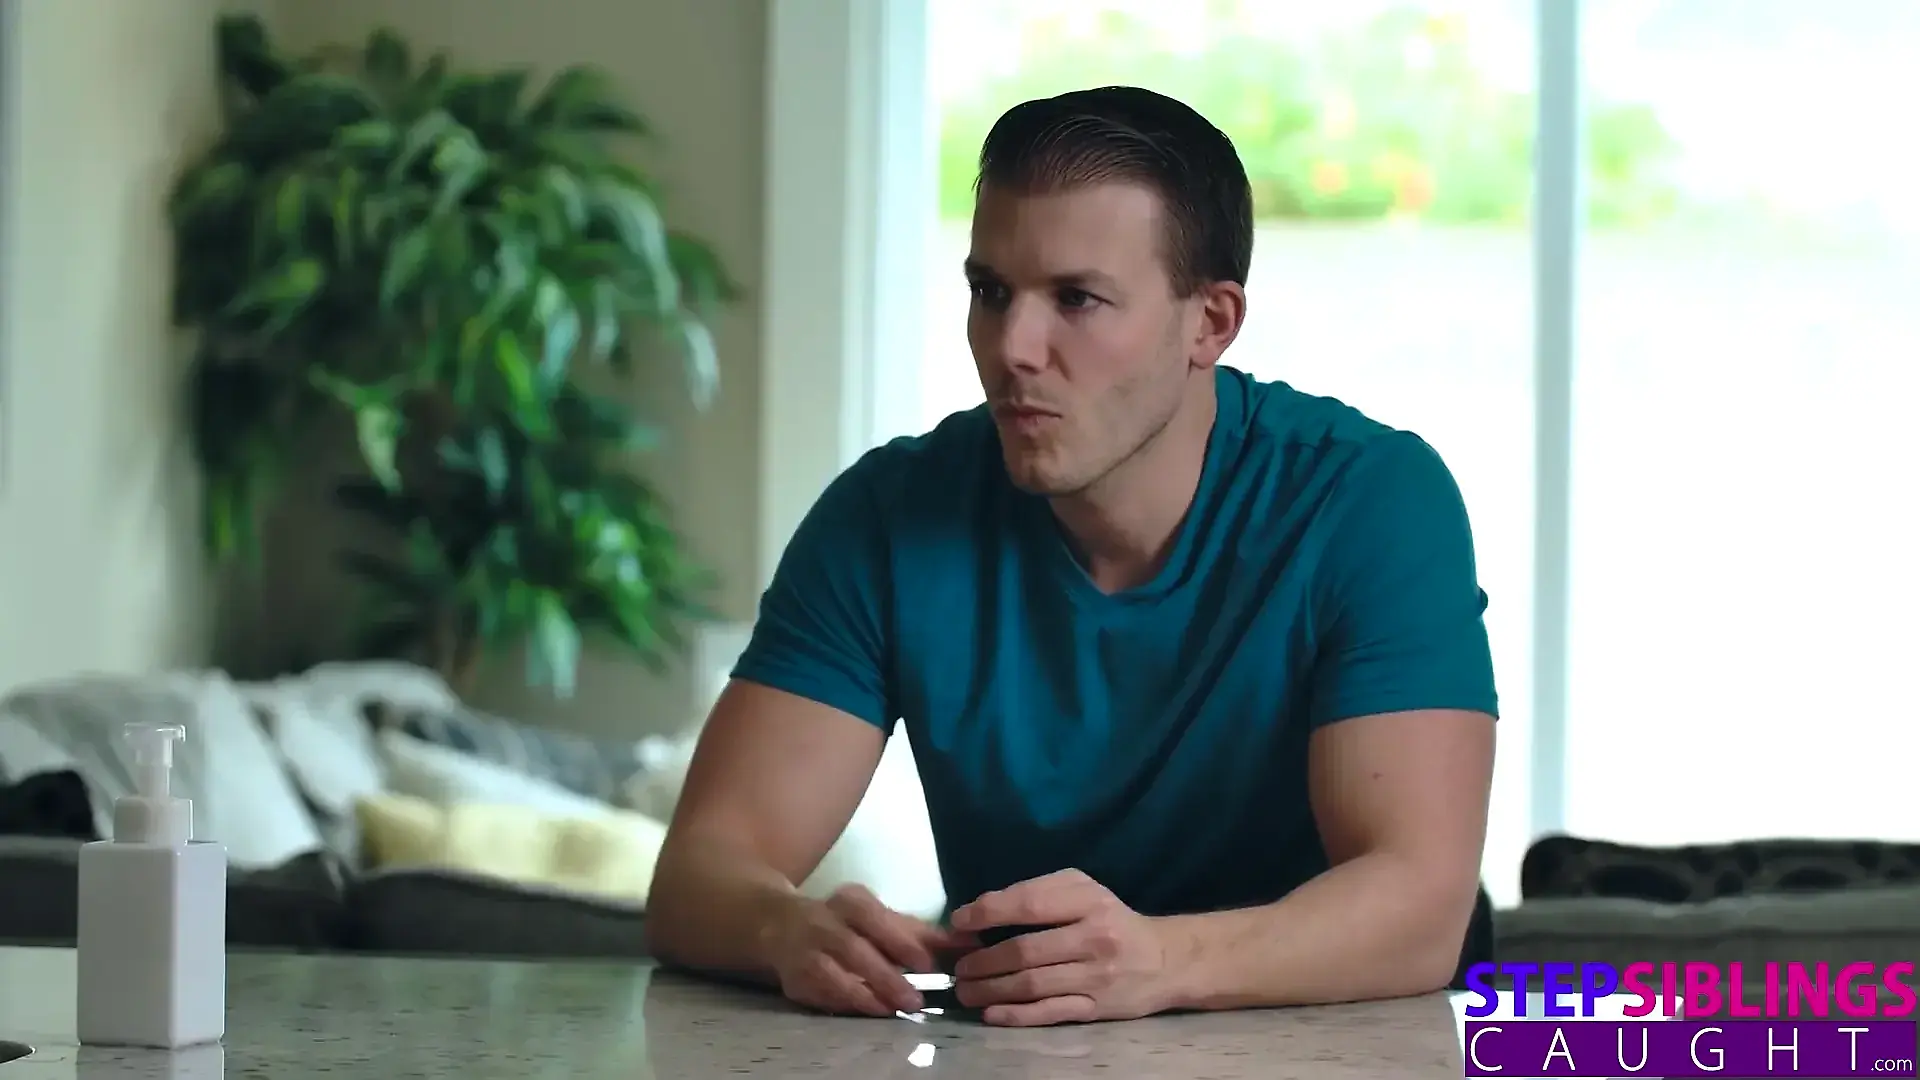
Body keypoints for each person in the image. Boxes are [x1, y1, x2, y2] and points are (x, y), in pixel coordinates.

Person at [645, 85, 1498, 1028]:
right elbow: (698, 875)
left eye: (1077, 299)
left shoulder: (1372, 501)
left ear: (1210, 322)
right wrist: (784, 928)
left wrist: (1160, 962)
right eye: (990, 292)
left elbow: (1421, 908)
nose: (1013, 348)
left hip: (1333, 1039)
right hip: (1026, 1043)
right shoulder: (887, 516)